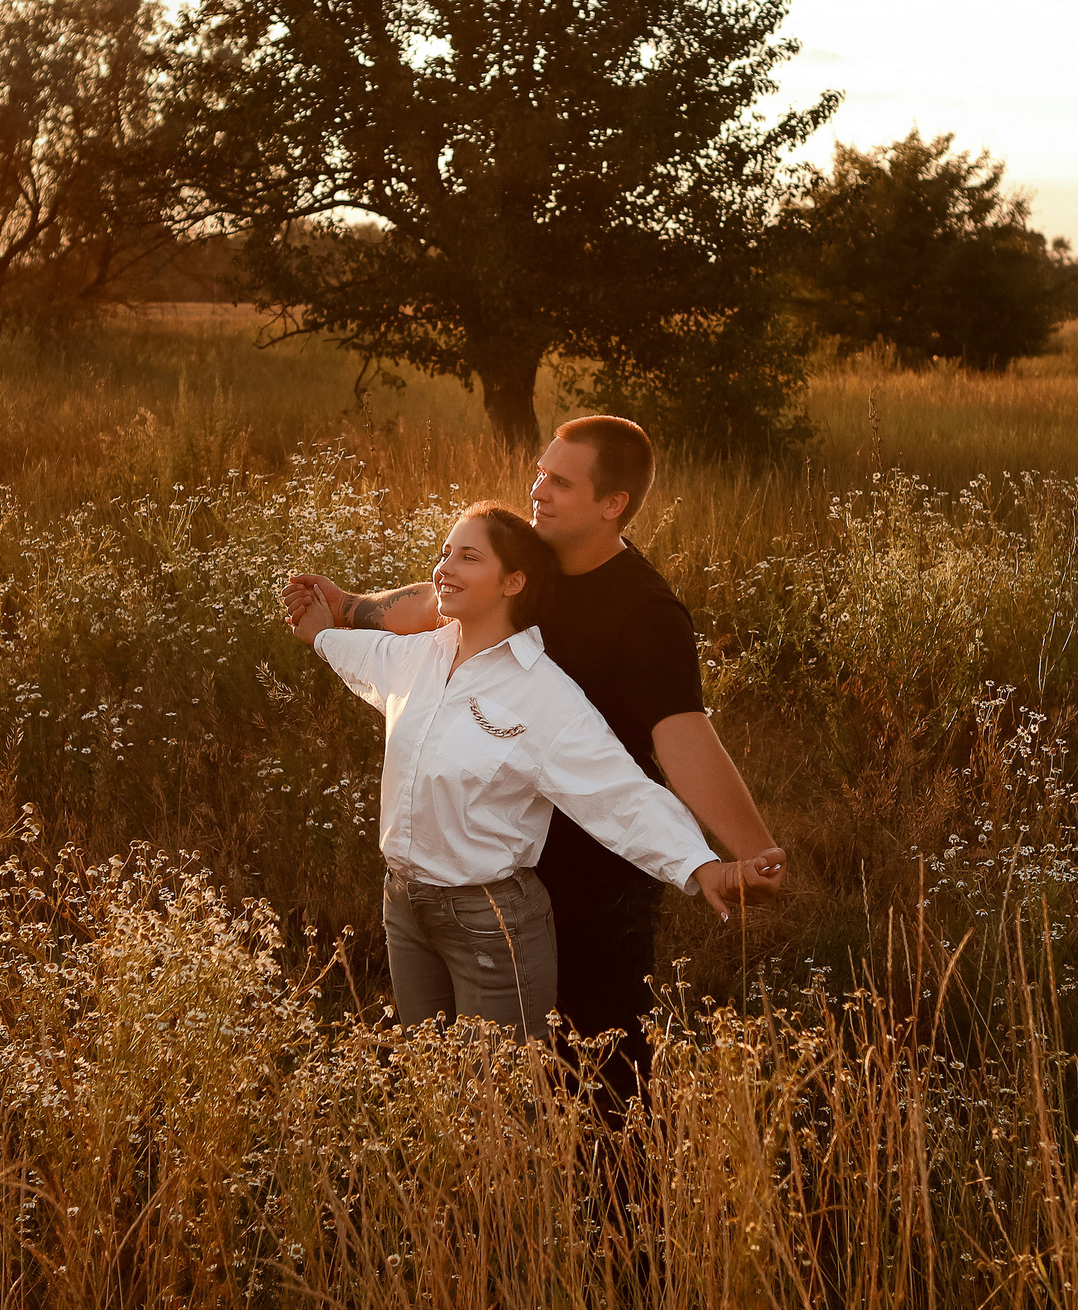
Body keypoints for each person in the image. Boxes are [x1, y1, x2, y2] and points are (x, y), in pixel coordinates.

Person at [285, 415, 784, 1103]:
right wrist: (349, 607)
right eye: (540, 472)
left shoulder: (645, 612)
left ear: (611, 504)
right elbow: (435, 603)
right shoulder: (534, 562)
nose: (538, 489)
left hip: (594, 874)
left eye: (559, 481)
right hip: (495, 859)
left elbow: (681, 739)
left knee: (599, 1065)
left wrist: (745, 855)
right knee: (475, 1073)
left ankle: (613, 1202)